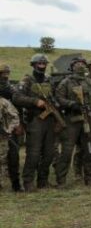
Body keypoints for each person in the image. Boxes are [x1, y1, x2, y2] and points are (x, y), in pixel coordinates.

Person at [14, 54, 65, 190]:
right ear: (33, 64)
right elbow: (17, 97)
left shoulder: (49, 80)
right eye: (39, 63)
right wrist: (35, 101)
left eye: (44, 63)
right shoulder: (27, 80)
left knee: (49, 153)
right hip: (35, 120)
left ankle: (43, 181)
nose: (42, 65)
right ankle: (28, 182)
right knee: (34, 153)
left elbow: (54, 98)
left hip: (49, 120)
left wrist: (58, 117)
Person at [54, 57, 91, 187]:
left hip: (88, 119)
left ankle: (90, 177)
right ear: (72, 67)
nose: (80, 65)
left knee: (89, 149)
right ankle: (61, 180)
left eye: (82, 63)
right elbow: (59, 98)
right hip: (71, 119)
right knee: (67, 150)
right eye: (77, 63)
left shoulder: (90, 83)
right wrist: (71, 104)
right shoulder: (66, 82)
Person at [0, 63, 22, 192]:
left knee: (14, 156)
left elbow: (17, 107)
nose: (5, 76)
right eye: (3, 73)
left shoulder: (12, 88)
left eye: (7, 73)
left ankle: (16, 184)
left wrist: (18, 124)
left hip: (10, 126)